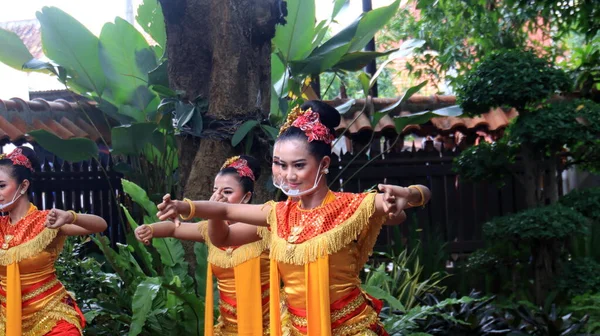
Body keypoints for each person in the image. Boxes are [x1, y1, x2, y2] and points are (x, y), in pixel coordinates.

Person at [156, 101, 431, 336]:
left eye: (299, 165)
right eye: (280, 164)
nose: (288, 175)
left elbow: (413, 199)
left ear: (323, 165)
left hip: (350, 328)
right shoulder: (277, 215)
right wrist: (184, 206)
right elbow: (224, 222)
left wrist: (408, 193)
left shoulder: (351, 206)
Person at [135, 155, 271, 336]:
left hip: (267, 325)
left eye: (227, 192)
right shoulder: (210, 229)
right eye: (215, 191)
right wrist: (150, 229)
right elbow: (174, 229)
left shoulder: (263, 227)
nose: (218, 197)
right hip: (229, 327)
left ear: (246, 197)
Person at [0, 147, 108, 336]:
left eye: (1, 186)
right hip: (5, 317)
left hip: (49, 315)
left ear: (23, 186)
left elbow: (100, 225)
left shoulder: (47, 221)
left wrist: (70, 216)